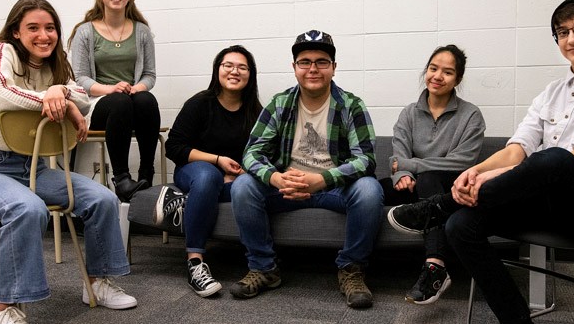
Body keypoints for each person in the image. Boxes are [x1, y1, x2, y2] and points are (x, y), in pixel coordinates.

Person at [388, 0, 574, 324]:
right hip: (544, 206)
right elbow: (516, 150)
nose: (571, 38)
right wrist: (475, 172)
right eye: (563, 32)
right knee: (462, 226)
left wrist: (483, 178)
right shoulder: (551, 92)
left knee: (556, 158)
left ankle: (436, 207)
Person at [0, 0, 137, 324]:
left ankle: (98, 282)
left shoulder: (57, 65)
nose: (44, 35)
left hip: (35, 168)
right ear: (16, 30)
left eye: (50, 28)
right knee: (27, 209)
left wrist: (65, 95)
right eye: (33, 28)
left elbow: (84, 97)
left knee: (102, 198)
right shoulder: (0, 51)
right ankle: (5, 311)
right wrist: (53, 96)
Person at [229, 30, 384, 309]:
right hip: (286, 186)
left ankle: (351, 270)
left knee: (370, 189)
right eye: (305, 62)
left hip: (333, 188)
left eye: (322, 62)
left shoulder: (351, 105)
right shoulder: (280, 103)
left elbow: (366, 159)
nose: (313, 69)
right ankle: (264, 268)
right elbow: (252, 153)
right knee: (242, 186)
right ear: (294, 67)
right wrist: (276, 178)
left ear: (334, 68)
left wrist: (322, 180)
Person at [156, 45, 262, 297]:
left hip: (233, 177)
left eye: (242, 67)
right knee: (207, 176)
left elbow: (261, 153)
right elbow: (174, 146)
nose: (234, 71)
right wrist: (217, 161)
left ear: (250, 75)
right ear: (217, 70)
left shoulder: (256, 112)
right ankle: (195, 263)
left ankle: (182, 203)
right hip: (194, 170)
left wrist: (244, 172)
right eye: (228, 65)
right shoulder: (200, 103)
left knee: (250, 188)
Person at [384, 45, 485, 304]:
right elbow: (399, 153)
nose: (438, 76)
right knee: (371, 188)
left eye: (447, 72)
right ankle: (355, 265)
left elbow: (463, 161)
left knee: (430, 179)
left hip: (451, 189)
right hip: (413, 185)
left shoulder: (470, 115)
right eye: (433, 68)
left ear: (457, 80)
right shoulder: (409, 112)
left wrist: (411, 165)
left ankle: (435, 267)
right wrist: (402, 174)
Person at [70, 0, 160, 202]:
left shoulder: (142, 31)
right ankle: (121, 179)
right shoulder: (85, 32)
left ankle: (146, 174)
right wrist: (110, 89)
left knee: (146, 99)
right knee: (119, 101)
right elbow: (80, 78)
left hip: (131, 99)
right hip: (99, 103)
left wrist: (135, 88)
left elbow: (149, 75)